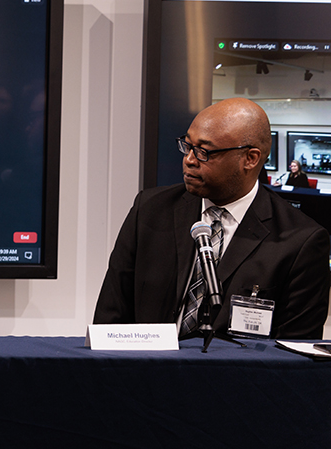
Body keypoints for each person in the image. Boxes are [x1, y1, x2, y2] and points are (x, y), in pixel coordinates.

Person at [94, 98, 330, 339]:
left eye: (204, 152)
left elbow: (294, 357)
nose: (189, 160)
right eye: (187, 146)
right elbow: (110, 317)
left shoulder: (300, 242)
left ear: (250, 158)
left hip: (237, 374)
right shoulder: (150, 210)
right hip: (145, 370)